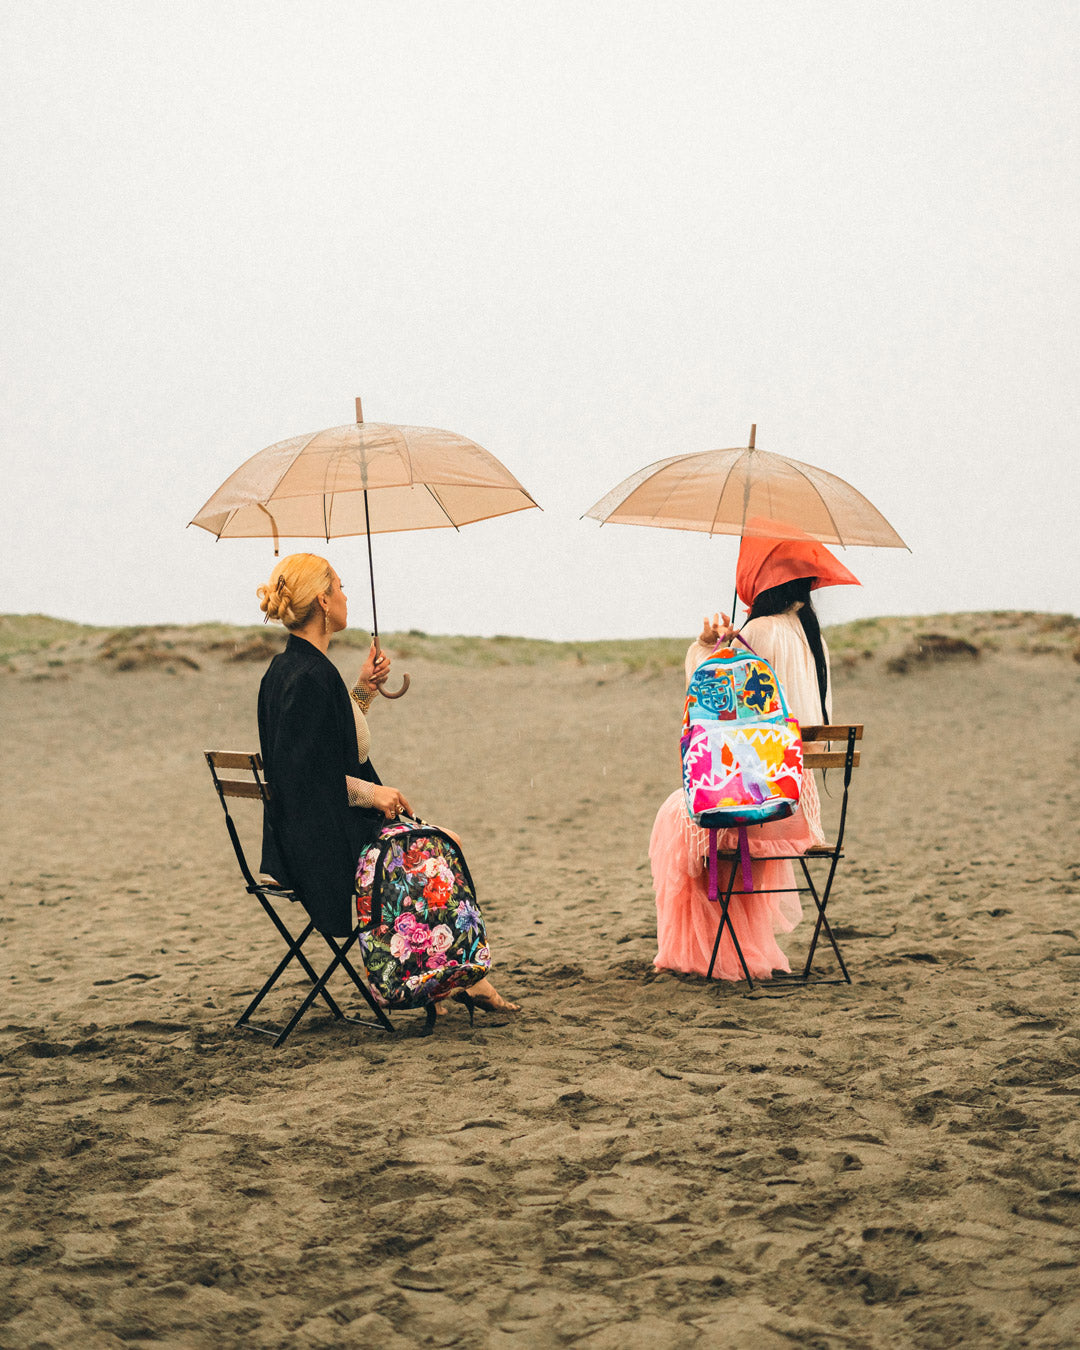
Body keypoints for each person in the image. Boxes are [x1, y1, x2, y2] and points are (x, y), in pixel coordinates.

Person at [256, 553, 518, 1013]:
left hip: (297, 838)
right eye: (338, 585)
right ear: (322, 599)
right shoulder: (310, 679)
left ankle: (444, 977)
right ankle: (458, 979)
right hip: (321, 851)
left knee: (435, 842)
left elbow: (338, 748)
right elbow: (308, 779)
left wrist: (362, 690)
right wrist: (373, 793)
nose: (345, 594)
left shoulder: (287, 671)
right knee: (442, 845)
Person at [650, 526, 859, 981]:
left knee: (675, 822)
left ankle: (713, 955)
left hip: (757, 802)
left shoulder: (758, 632)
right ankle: (736, 947)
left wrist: (708, 648)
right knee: (691, 823)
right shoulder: (814, 638)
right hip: (797, 805)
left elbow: (708, 701)